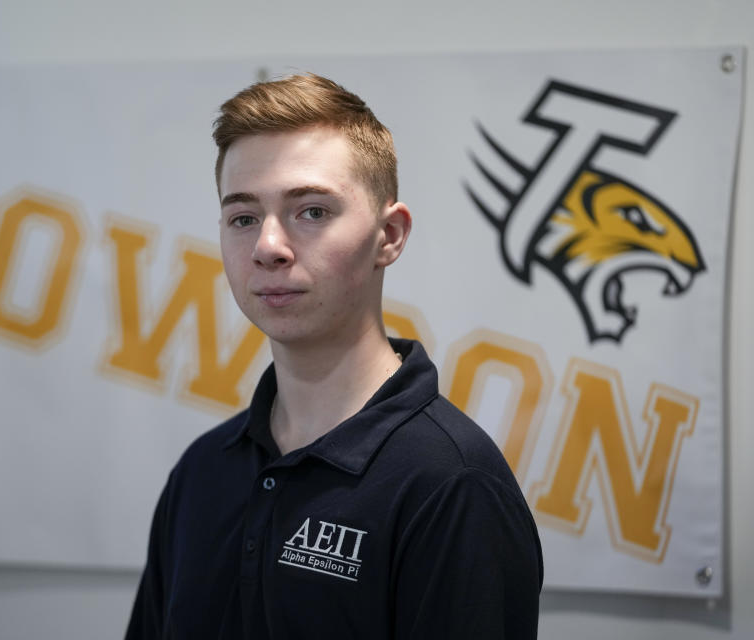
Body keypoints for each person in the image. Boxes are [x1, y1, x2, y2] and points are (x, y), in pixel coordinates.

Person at [126, 73, 543, 639]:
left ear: (389, 236)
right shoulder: (203, 470)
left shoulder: (451, 483)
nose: (269, 247)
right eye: (243, 218)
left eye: (313, 212)